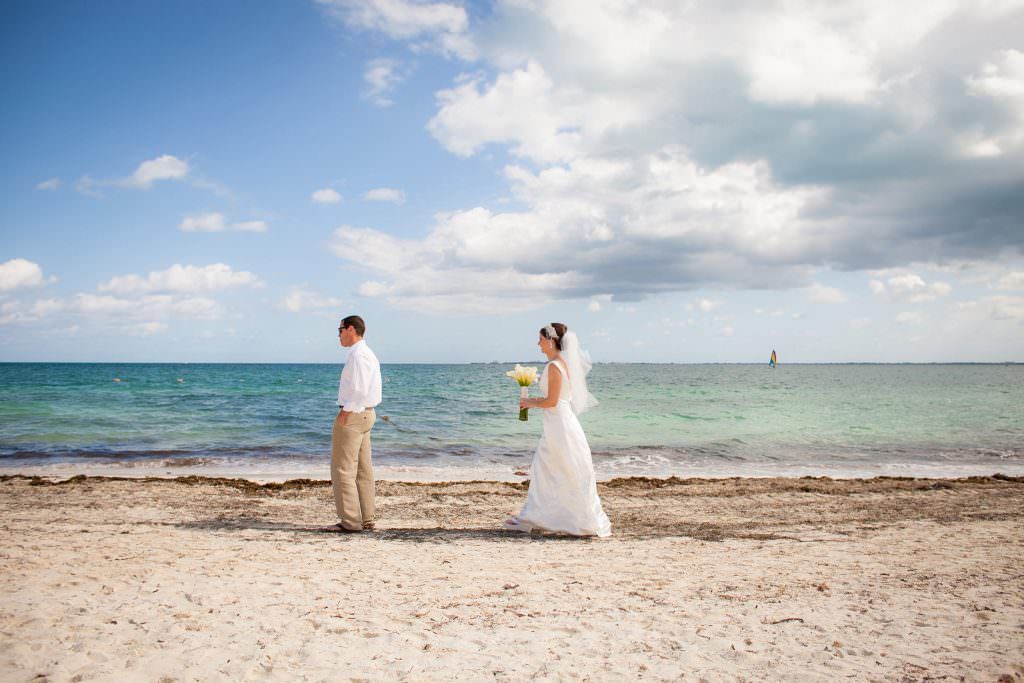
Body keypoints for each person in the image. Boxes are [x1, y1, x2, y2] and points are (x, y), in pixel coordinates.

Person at [505, 323, 611, 537]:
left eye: (541, 340)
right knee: (558, 469)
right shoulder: (563, 364)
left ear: (551, 341)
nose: (538, 344)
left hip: (559, 424)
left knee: (552, 468)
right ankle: (550, 515)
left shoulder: (554, 366)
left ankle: (547, 516)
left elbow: (553, 401)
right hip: (560, 422)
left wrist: (529, 402)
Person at [322, 315, 382, 533]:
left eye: (340, 330)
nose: (338, 335)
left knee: (342, 470)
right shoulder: (367, 354)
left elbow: (358, 388)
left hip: (355, 414)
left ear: (350, 329)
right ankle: (367, 519)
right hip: (366, 414)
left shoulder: (358, 355)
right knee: (363, 469)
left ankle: (350, 522)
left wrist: (345, 412)